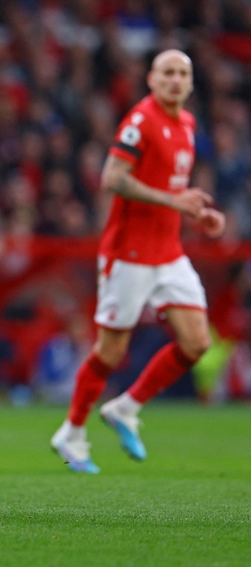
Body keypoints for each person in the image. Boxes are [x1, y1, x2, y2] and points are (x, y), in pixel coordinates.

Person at [49, 49, 226, 473]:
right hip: (128, 254)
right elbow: (112, 178)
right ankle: (71, 434)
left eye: (183, 73)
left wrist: (197, 213)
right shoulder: (140, 121)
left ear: (191, 82)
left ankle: (125, 408)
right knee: (110, 352)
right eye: (167, 72)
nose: (175, 80)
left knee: (198, 342)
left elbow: (169, 189)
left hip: (168, 252)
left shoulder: (186, 123)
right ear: (151, 79)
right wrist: (175, 200)